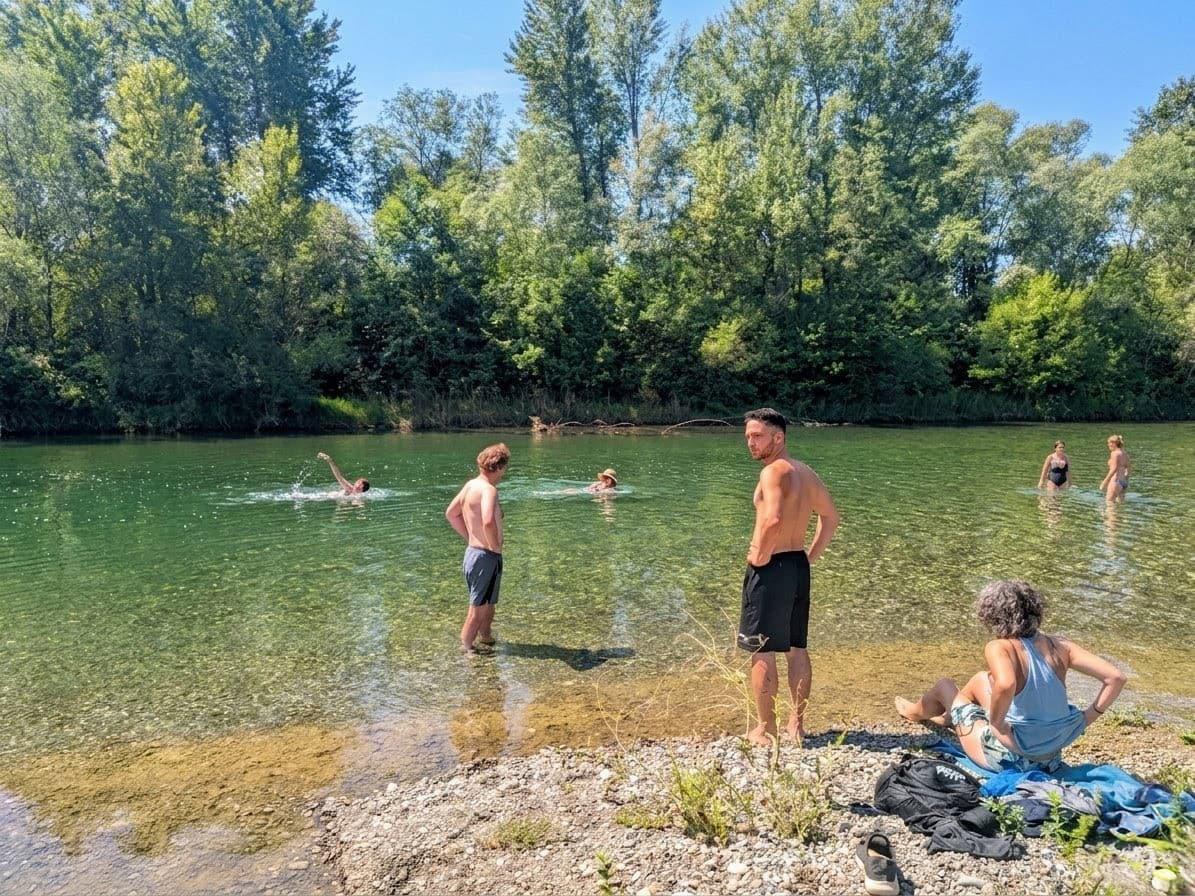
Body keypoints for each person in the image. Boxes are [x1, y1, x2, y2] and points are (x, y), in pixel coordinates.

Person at [895, 580, 1126, 772]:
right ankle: (949, 717)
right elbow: (1115, 678)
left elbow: (1006, 684)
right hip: (1051, 759)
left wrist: (997, 725)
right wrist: (1087, 717)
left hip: (1010, 757)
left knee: (945, 686)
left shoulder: (1000, 647)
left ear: (993, 616)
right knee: (980, 679)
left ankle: (914, 712)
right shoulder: (1060, 646)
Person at [739, 408, 840, 745]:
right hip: (797, 566)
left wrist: (759, 554)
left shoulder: (773, 472)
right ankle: (796, 726)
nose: (750, 443)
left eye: (758, 436)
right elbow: (831, 518)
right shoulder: (806, 473)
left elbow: (772, 519)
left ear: (778, 438)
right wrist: (809, 557)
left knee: (762, 651)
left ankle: (765, 729)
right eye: (748, 436)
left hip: (771, 568)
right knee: (796, 648)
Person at [445, 443, 510, 653]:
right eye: (505, 467)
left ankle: (486, 637)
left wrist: (470, 538)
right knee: (477, 609)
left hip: (475, 553)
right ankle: (466, 650)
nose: (505, 472)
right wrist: (493, 545)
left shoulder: (471, 485)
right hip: (486, 556)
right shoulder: (488, 490)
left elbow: (451, 514)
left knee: (488, 603)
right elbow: (488, 520)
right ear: (499, 467)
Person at [1099, 434, 1131, 502]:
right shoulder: (1124, 454)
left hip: (1115, 481)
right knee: (1120, 507)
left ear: (1114, 443)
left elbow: (1114, 469)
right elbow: (1128, 469)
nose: (1108, 445)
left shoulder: (1115, 453)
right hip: (1123, 483)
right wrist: (1126, 480)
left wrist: (1104, 482)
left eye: (1109, 443)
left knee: (1109, 505)